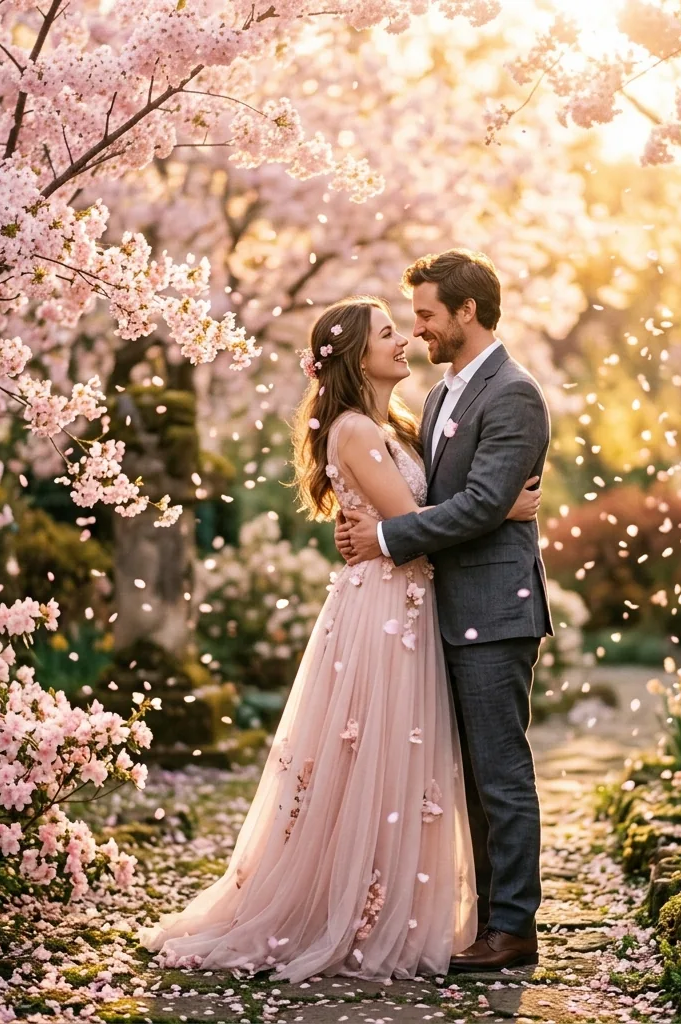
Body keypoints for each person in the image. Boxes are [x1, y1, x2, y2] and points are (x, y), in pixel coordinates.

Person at [137, 294, 541, 982]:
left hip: (413, 603)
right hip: (384, 609)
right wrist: (500, 507)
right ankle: (358, 909)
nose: (406, 337)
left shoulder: (407, 419)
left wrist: (443, 516)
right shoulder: (356, 429)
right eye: (388, 332)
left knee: (406, 762)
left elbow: (414, 515)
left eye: (411, 322)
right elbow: (413, 519)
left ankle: (418, 908)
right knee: (372, 756)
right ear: (356, 356)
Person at [336, 249, 552, 972]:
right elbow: (446, 498)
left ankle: (513, 928)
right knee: (468, 780)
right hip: (440, 608)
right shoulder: (438, 398)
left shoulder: (513, 393)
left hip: (494, 609)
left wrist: (385, 537)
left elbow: (484, 502)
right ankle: (486, 919)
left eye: (427, 314)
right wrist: (373, 524)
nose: (418, 329)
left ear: (467, 310)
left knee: (500, 775)